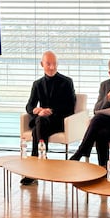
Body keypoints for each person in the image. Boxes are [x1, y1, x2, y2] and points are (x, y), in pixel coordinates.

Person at [21, 51, 76, 185]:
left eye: (54, 64)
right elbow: (29, 105)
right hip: (43, 122)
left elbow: (70, 107)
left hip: (59, 121)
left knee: (37, 128)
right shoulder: (37, 84)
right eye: (48, 64)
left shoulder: (67, 82)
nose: (52, 67)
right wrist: (36, 110)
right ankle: (40, 161)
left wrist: (51, 111)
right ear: (42, 64)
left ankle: (35, 165)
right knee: (40, 121)